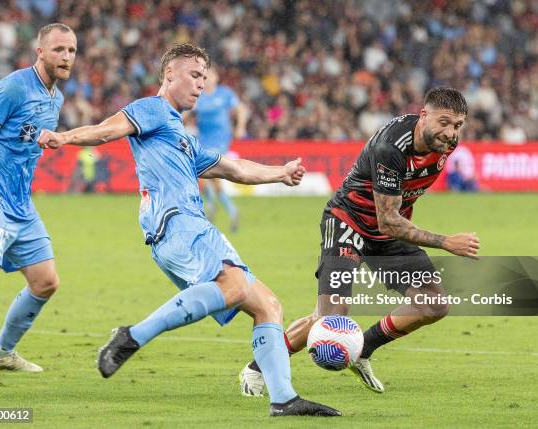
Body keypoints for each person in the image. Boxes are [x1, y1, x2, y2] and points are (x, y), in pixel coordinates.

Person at [37, 43, 340, 417]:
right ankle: (132, 336)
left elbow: (234, 169)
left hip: (184, 227)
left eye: (204, 77)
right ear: (169, 75)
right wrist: (64, 138)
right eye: (194, 75)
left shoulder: (181, 137)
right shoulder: (152, 109)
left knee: (268, 306)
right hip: (178, 222)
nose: (201, 85)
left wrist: (280, 172)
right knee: (233, 286)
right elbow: (105, 131)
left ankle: (284, 399)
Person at [240, 87, 480, 396]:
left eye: (457, 125)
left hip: (388, 231)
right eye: (444, 122)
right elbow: (388, 220)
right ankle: (257, 369)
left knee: (434, 303)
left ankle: (362, 349)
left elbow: (393, 217)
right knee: (329, 321)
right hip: (348, 222)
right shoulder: (391, 148)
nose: (450, 132)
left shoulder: (446, 144)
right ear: (424, 115)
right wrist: (446, 241)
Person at [0, 24, 77, 377]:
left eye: (71, 50)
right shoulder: (13, 87)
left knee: (46, 281)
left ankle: (2, 353)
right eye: (58, 50)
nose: (66, 57)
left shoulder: (57, 99)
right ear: (40, 52)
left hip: (20, 202)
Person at [193, 66, 247, 232]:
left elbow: (241, 109)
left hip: (220, 140)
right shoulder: (198, 94)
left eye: (209, 75)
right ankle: (228, 209)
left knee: (208, 172)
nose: (206, 79)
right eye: (204, 76)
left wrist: (240, 126)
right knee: (204, 175)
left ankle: (212, 207)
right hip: (203, 140)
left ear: (216, 77)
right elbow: (185, 112)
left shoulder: (225, 93)